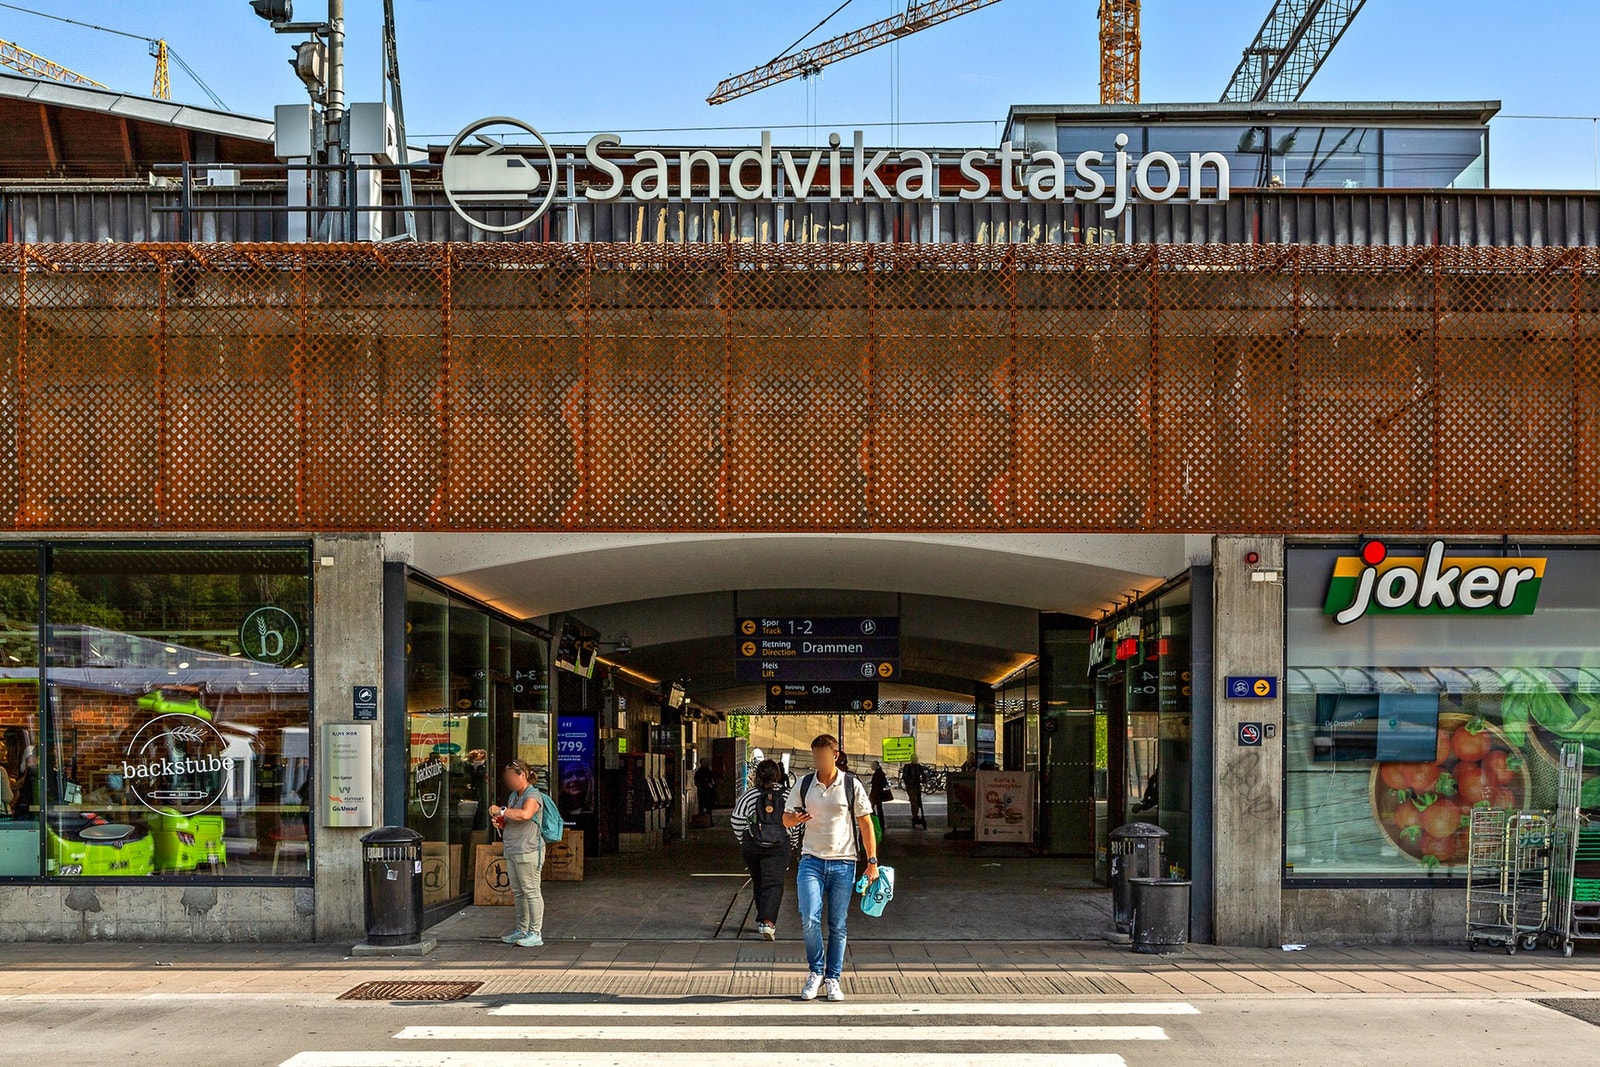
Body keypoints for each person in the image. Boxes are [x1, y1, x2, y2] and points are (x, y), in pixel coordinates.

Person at [784, 733, 878, 1003]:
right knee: (809, 918)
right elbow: (786, 820)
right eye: (815, 756)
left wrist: (871, 863)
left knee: (837, 924)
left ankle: (833, 978)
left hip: (844, 862)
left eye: (824, 756)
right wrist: (795, 817)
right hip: (811, 860)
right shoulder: (804, 784)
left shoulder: (851, 784)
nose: (819, 761)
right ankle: (815, 972)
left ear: (835, 756)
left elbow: (866, 824)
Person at [730, 758, 797, 941]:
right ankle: (768, 923)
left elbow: (736, 819)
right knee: (773, 883)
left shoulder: (749, 795)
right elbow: (796, 821)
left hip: (753, 846)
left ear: (757, 775)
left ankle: (763, 920)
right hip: (779, 845)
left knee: (759, 881)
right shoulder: (787, 795)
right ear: (778, 775)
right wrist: (793, 842)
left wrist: (744, 839)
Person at [489, 760, 546, 949]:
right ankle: (522, 930)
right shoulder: (514, 795)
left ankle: (535, 932)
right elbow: (513, 818)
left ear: (522, 775)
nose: (509, 781)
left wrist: (502, 810)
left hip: (528, 850)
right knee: (519, 892)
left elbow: (525, 814)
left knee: (531, 891)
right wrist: (501, 821)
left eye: (512, 776)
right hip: (513, 848)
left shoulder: (533, 795)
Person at [902, 760, 926, 829]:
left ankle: (916, 815)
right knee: (914, 801)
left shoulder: (919, 767)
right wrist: (909, 784)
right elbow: (905, 777)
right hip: (911, 786)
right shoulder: (908, 767)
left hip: (917, 786)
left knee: (917, 802)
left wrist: (922, 780)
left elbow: (923, 775)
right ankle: (915, 816)